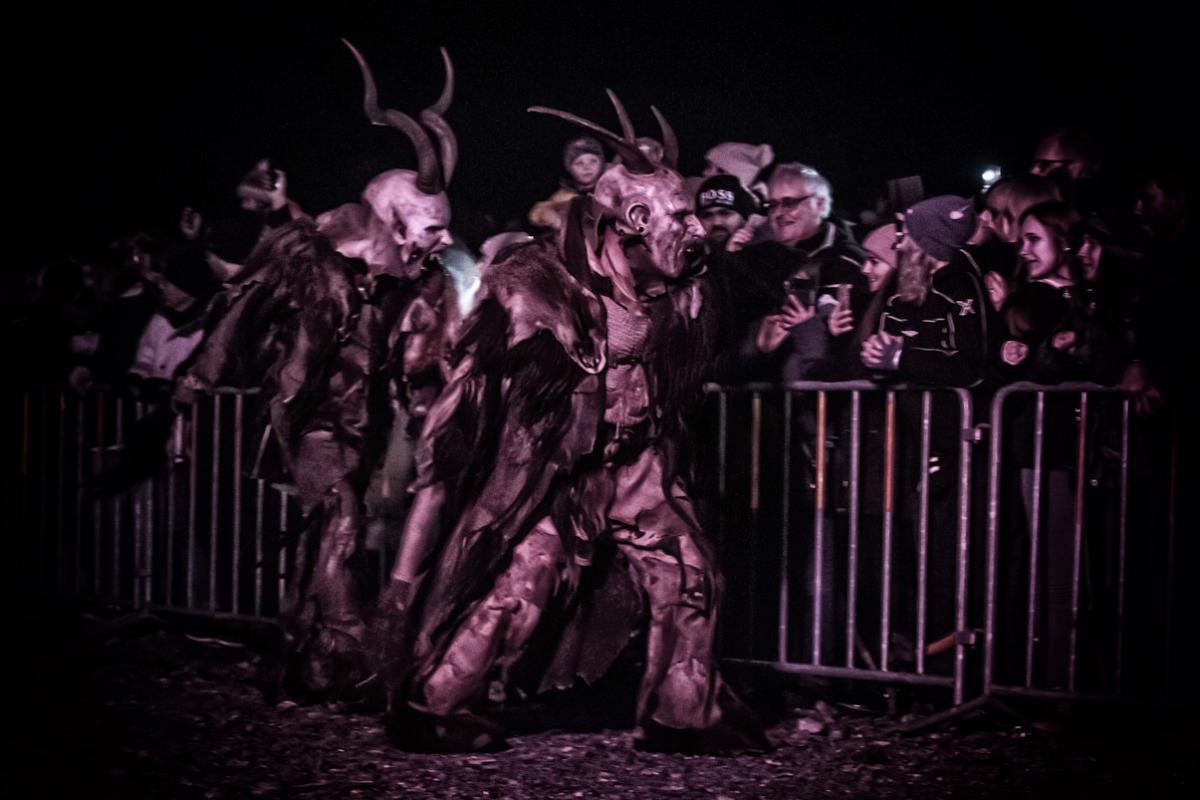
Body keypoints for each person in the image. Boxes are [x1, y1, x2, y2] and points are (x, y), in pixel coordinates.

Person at [375, 94, 768, 755]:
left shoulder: (685, 292)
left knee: (691, 570)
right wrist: (451, 458)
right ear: (630, 222)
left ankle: (683, 711)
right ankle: (435, 702)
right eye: (672, 218)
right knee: (524, 582)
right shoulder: (539, 283)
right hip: (559, 467)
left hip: (637, 462)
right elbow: (472, 376)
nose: (690, 232)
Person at [177, 42, 458, 701]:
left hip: (358, 429)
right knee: (340, 522)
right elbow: (244, 307)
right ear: (392, 224)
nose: (444, 241)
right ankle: (354, 658)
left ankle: (299, 661)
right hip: (313, 423)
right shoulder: (318, 264)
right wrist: (198, 375)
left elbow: (405, 357)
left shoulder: (400, 286)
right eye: (431, 229)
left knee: (324, 540)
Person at [528, 135, 607, 237]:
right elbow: (537, 212)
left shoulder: (610, 188)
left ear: (602, 163)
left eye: (593, 161)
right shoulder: (566, 195)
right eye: (579, 163)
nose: (587, 167)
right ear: (569, 168)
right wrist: (549, 217)